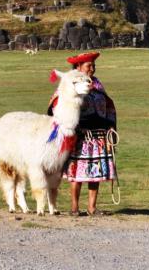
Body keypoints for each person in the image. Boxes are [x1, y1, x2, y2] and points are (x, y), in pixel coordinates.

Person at [48, 51, 117, 216]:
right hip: (80, 137)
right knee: (77, 173)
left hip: (100, 135)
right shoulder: (71, 83)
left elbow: (108, 107)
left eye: (93, 65)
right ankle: (74, 208)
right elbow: (56, 104)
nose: (92, 69)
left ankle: (92, 207)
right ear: (78, 67)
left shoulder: (98, 85)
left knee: (96, 173)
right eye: (89, 66)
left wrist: (111, 127)